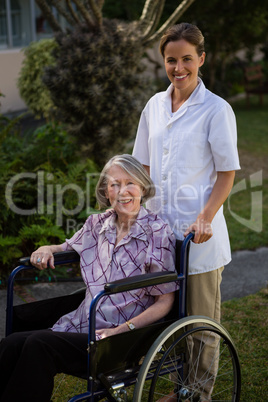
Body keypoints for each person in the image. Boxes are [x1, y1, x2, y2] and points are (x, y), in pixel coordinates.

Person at [0, 154, 178, 402]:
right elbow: (65, 247)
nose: (122, 191)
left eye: (130, 183)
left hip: (118, 339)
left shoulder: (157, 233)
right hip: (81, 323)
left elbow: (164, 301)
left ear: (143, 187)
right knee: (11, 344)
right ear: (106, 190)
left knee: (39, 345)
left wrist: (121, 330)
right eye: (114, 184)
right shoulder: (97, 223)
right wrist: (47, 249)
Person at [133, 23, 240, 401]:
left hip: (199, 239)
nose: (179, 68)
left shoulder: (216, 110)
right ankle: (183, 391)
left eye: (187, 59)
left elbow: (226, 173)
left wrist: (206, 216)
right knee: (171, 323)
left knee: (201, 326)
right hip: (160, 236)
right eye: (171, 60)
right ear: (164, 61)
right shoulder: (154, 106)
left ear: (202, 59)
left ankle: (199, 395)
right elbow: (143, 168)